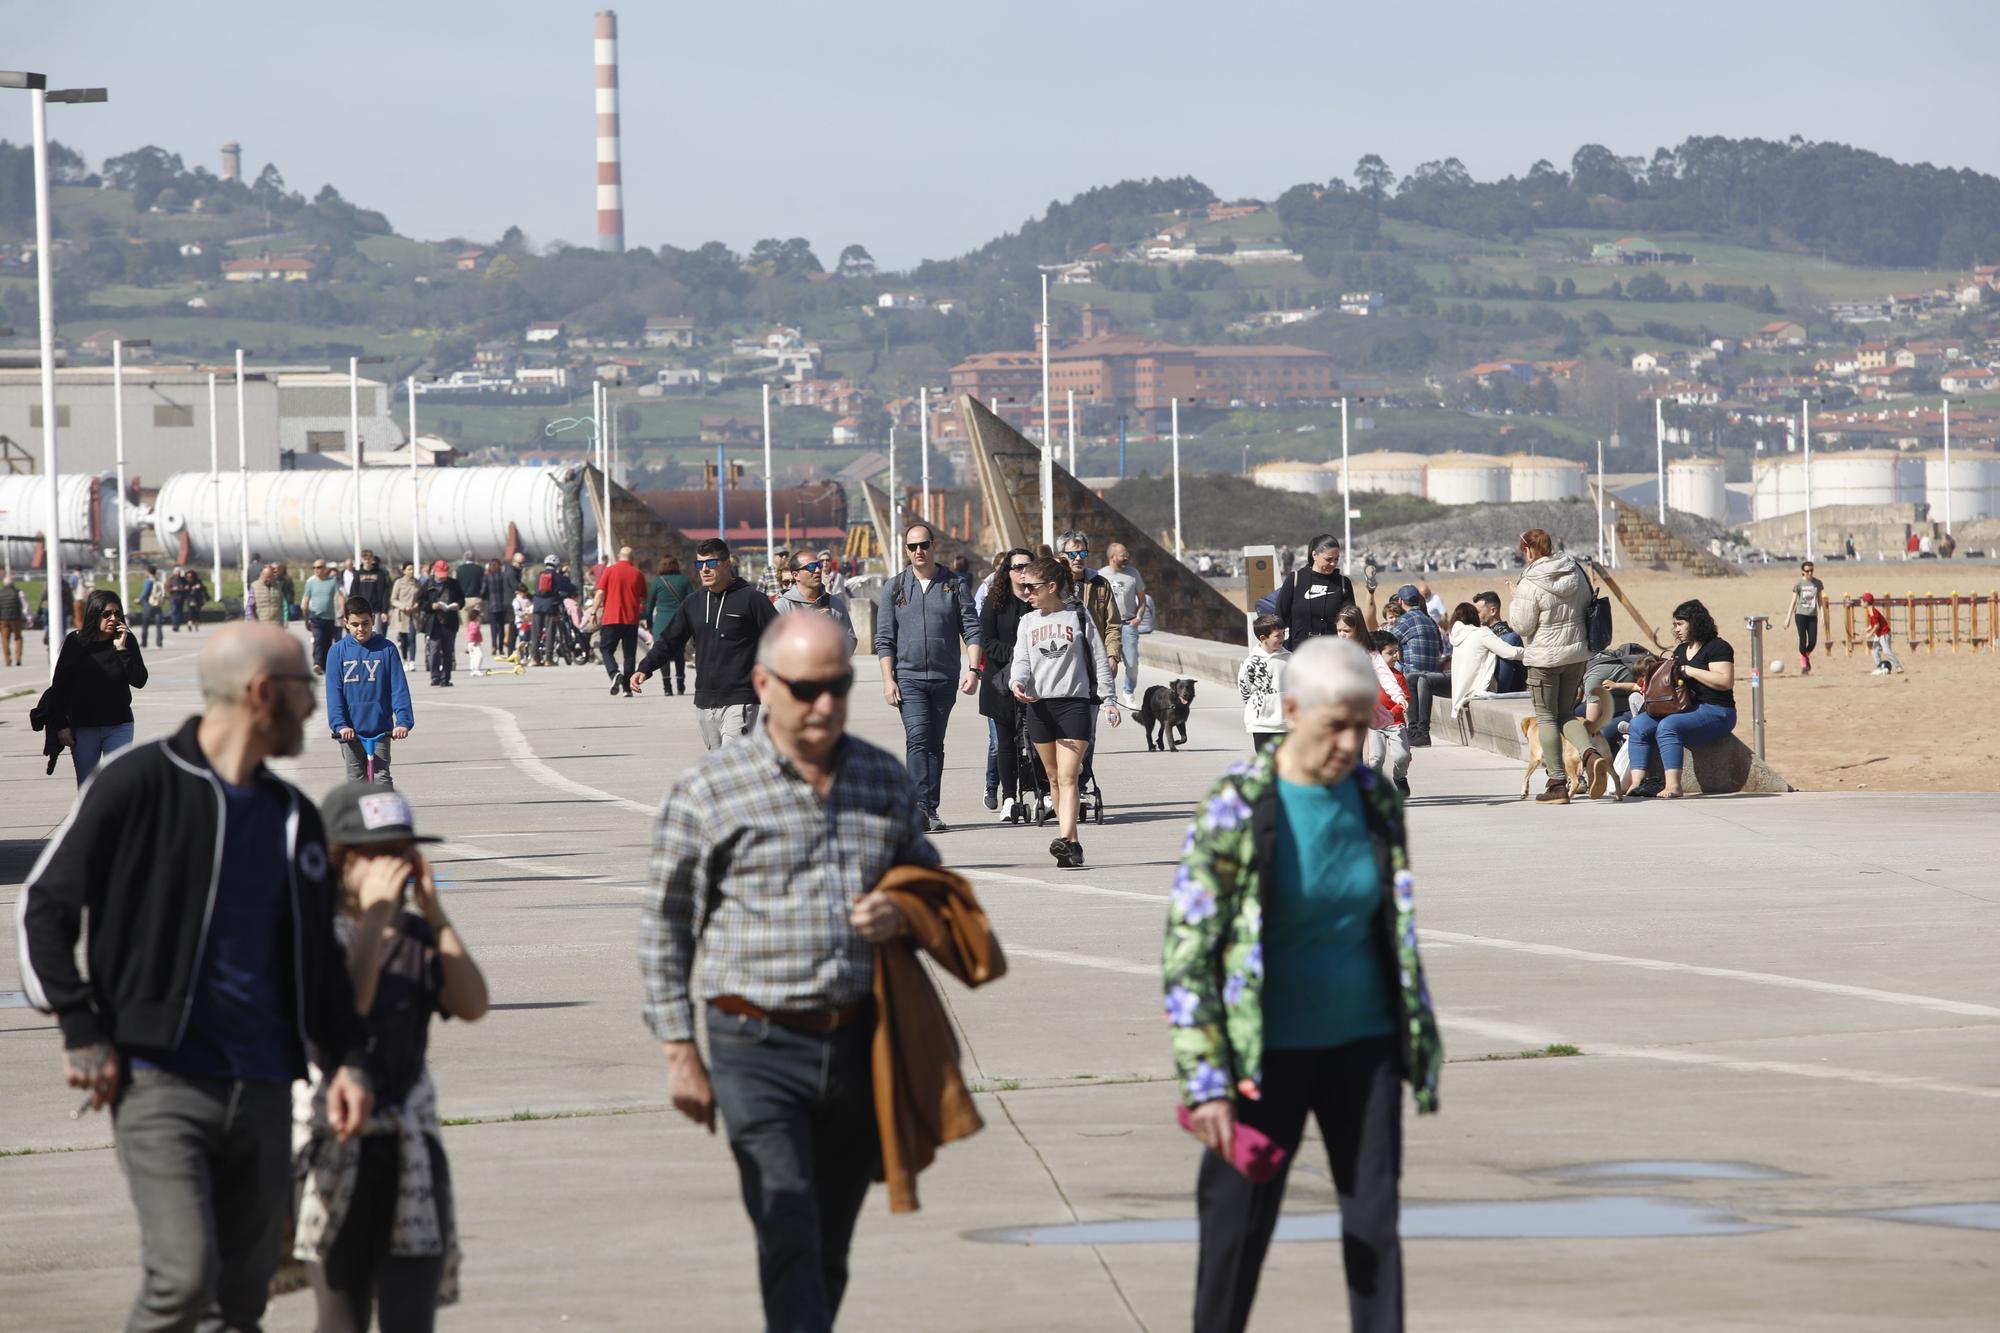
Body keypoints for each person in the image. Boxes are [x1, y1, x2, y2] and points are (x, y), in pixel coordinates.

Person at [18, 622, 374, 1333]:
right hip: (160, 1081)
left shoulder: (293, 818)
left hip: (269, 1087)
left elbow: (320, 964)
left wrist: (348, 1060)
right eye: (306, 688)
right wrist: (82, 1026)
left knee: (242, 1298)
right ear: (264, 692)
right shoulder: (136, 784)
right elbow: (44, 906)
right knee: (181, 1278)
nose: (313, 707)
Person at [640, 613, 938, 1333]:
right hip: (753, 1044)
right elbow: (666, 924)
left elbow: (930, 883)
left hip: (859, 1044)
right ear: (764, 684)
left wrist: (901, 911)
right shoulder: (710, 790)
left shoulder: (881, 776)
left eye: (838, 685)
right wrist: (680, 1050)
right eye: (808, 689)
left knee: (828, 1242)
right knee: (787, 1217)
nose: (826, 704)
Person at [1164, 634, 1441, 1333]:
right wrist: (1206, 1081)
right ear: (1290, 710)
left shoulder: (1377, 799)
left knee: (1375, 1223)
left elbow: (1391, 925)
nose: (1351, 742)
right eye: (1334, 725)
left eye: (1362, 723)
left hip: (1365, 1045)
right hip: (1262, 1055)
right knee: (1234, 1229)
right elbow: (1188, 951)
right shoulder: (1238, 802)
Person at [298, 783, 487, 1333]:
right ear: (338, 861)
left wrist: (435, 913)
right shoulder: (314, 937)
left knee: (412, 1317)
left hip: (411, 1147)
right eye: (377, 855)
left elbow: (471, 1004)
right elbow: (343, 1013)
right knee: (342, 1318)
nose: (394, 867)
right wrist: (375, 918)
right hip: (334, 1146)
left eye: (402, 853)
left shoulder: (414, 933)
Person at [1008, 555, 1120, 869]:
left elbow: (1099, 661)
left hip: (1074, 705)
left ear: (1052, 586)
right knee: (1054, 779)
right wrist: (1017, 681)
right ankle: (1071, 845)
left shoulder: (1079, 618)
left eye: (1032, 587)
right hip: (1039, 707)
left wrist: (1109, 700)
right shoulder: (1028, 622)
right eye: (1023, 586)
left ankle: (1066, 838)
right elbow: (1022, 660)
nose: (1026, 592)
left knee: (1070, 776)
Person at [873, 522, 983, 833]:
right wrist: (887, 679)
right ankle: (918, 806)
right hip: (908, 678)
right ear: (905, 551)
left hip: (945, 677)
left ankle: (929, 808)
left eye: (924, 545)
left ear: (934, 545)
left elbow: (972, 630)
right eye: (912, 547)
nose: (919, 551)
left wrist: (973, 670)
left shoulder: (955, 584)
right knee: (919, 737)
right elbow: (885, 638)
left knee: (935, 742)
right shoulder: (894, 587)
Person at [632, 537, 779, 749]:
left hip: (740, 697)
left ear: (727, 564)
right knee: (718, 767)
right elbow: (670, 640)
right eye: (700, 564)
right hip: (704, 701)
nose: (704, 570)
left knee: (731, 763)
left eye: (711, 563)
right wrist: (645, 668)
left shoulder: (752, 600)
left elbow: (781, 637)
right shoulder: (693, 603)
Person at [1507, 528, 1596, 805]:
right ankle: (1591, 756)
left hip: (1544, 658)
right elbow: (1587, 605)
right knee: (1567, 713)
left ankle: (1557, 784)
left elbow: (1522, 625)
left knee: (1546, 718)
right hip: (1576, 654)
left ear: (1528, 550)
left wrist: (1514, 599)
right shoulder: (1575, 571)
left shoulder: (1530, 580)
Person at [1623, 600, 1738, 800]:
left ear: (1695, 622)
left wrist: (1691, 671)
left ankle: (1674, 786)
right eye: (1674, 625)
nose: (1676, 630)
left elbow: (1725, 681)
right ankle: (1637, 783)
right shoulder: (1681, 650)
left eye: (1680, 624)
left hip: (1718, 712)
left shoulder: (1718, 647)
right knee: (1638, 725)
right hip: (1685, 709)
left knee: (1668, 726)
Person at [46, 588, 150, 784]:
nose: (113, 618)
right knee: (88, 787)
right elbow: (59, 687)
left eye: (117, 613)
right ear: (94, 614)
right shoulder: (75, 642)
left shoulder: (125, 639)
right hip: (84, 728)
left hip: (119, 725)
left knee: (118, 786)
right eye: (107, 614)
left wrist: (122, 650)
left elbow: (140, 680)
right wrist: (62, 726)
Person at [327, 595, 414, 786]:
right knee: (357, 780)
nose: (361, 629)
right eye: (355, 624)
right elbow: (334, 693)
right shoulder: (337, 652)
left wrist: (403, 721)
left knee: (381, 776)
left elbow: (398, 688)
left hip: (380, 728)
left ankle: (387, 816)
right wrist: (340, 725)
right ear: (346, 623)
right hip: (350, 731)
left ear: (373, 620)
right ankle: (358, 816)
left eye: (365, 623)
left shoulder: (387, 649)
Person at [977, 548, 1037, 816]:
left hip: (1036, 682)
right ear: (1007, 571)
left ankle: (1041, 792)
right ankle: (1009, 796)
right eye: (1017, 567)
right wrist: (1016, 656)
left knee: (1036, 740)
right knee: (1005, 741)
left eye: (1027, 566)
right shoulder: (995, 601)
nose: (1022, 571)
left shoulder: (1040, 600)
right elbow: (986, 640)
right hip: (1000, 681)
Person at [1387, 583, 1448, 748]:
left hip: (1417, 675)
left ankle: (1414, 729)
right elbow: (1442, 649)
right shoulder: (1430, 620)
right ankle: (1413, 730)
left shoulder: (1406, 620)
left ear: (1400, 601)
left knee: (1406, 675)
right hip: (1434, 673)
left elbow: (1386, 640)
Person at [1274, 534, 1356, 650]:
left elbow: (1351, 621)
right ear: (1314, 555)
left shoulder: (1343, 583)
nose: (1333, 564)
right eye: (1328, 559)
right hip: (1298, 654)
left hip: (1332, 654)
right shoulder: (1295, 579)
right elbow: (1279, 618)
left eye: (1336, 559)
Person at [1446, 602, 1525, 723]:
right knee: (1512, 638)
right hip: (1482, 689)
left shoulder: (1455, 638)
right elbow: (1510, 653)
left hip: (1462, 694)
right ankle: (1523, 686)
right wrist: (1533, 653)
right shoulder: (1481, 632)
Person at [776, 550, 857, 652]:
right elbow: (773, 646)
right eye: (811, 567)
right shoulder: (782, 607)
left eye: (819, 565)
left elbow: (850, 640)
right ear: (796, 575)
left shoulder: (836, 605)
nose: (818, 570)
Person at [596, 545, 648, 697]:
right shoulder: (638, 574)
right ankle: (627, 688)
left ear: (619, 556)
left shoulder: (609, 571)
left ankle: (614, 673)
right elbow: (644, 597)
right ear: (632, 558)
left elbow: (600, 593)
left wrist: (593, 610)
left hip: (611, 618)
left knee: (606, 649)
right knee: (629, 655)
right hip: (631, 619)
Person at [1367, 629, 1413, 795]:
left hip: (1395, 723)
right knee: (1376, 759)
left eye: (1396, 652)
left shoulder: (1397, 676)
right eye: (1390, 653)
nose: (1396, 656)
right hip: (1374, 724)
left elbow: (1405, 697)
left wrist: (1393, 712)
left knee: (1402, 756)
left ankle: (1399, 777)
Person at [1101, 542, 1147, 705]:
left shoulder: (1133, 574)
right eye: (1123, 555)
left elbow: (1142, 599)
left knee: (1132, 663)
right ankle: (1109, 696)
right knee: (1109, 663)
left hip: (1128, 625)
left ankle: (1128, 691)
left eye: (1127, 554)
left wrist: (1139, 617)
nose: (1127, 557)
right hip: (1107, 627)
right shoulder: (1100, 575)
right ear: (1112, 557)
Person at [1238, 612, 1290, 750]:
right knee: (1265, 765)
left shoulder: (1291, 659)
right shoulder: (1250, 663)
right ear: (1263, 638)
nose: (1282, 638)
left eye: (1283, 633)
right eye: (1278, 635)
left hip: (1286, 723)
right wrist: (1261, 705)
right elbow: (1245, 690)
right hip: (1260, 724)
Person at [644, 555, 692, 696]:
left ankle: (667, 687)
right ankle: (680, 685)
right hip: (680, 622)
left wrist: (649, 624)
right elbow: (692, 601)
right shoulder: (684, 580)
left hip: (661, 623)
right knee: (679, 654)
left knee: (662, 653)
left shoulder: (657, 582)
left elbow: (649, 607)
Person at [418, 560, 464, 688]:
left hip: (449, 621)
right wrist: (431, 606)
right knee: (434, 650)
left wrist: (458, 605)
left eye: (445, 574)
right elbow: (420, 601)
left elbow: (462, 599)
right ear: (434, 571)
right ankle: (435, 676)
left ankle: (446, 678)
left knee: (448, 651)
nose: (443, 577)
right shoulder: (428, 584)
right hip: (434, 622)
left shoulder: (453, 584)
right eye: (440, 574)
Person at [1472, 592, 1526, 693]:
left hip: (1497, 686)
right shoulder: (1480, 633)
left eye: (1478, 612)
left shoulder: (1509, 637)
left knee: (1512, 638)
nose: (1475, 616)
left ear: (1492, 611)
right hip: (1481, 683)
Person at [529, 555, 577, 666]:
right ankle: (548, 659)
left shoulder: (539, 576)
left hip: (537, 607)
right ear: (556, 565)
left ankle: (534, 658)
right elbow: (569, 586)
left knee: (536, 633)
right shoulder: (558, 577)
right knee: (550, 632)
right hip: (550, 607)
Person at [1780, 560, 1825, 676]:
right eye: (1807, 571)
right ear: (1803, 572)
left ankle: (1804, 656)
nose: (1810, 573)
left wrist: (1822, 615)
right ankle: (1804, 665)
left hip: (1812, 615)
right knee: (1802, 639)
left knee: (1813, 641)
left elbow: (1820, 600)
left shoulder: (1817, 583)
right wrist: (1787, 618)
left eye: (1811, 570)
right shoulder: (1799, 584)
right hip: (1800, 614)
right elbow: (1793, 601)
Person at [305, 558, 345, 675]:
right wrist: (306, 616)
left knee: (327, 642)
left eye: (319, 567)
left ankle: (325, 665)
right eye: (314, 568)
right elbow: (306, 599)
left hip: (329, 617)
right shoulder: (311, 582)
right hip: (315, 617)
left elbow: (339, 595)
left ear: (325, 569)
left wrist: (342, 608)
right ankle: (317, 662)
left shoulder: (332, 582)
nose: (316, 570)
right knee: (318, 640)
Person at [1861, 592, 1905, 675]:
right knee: (1874, 651)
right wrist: (1867, 629)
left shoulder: (1873, 612)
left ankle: (1899, 667)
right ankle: (1880, 667)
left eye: (1862, 602)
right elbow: (1873, 624)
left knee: (1886, 651)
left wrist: (1870, 634)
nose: (1861, 603)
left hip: (1884, 633)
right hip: (1878, 634)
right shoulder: (1870, 611)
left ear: (1866, 602)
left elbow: (1877, 625)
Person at [483, 558, 518, 659]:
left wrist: (487, 598)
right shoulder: (502, 576)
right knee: (501, 627)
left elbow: (483, 591)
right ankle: (501, 647)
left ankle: (494, 646)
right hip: (502, 604)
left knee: (493, 627)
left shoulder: (487, 577)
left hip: (492, 605)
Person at [389, 561, 421, 666]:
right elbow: (393, 599)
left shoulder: (417, 583)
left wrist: (417, 604)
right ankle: (405, 659)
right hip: (402, 615)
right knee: (403, 639)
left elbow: (421, 597)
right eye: (409, 569)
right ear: (404, 571)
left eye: (412, 569)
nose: (411, 571)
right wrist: (403, 606)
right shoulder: (399, 583)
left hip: (413, 614)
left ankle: (412, 661)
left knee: (412, 637)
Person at [352, 551, 391, 634]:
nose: (367, 561)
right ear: (362, 560)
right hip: (360, 609)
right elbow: (353, 592)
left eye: (369, 559)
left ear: (372, 559)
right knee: (361, 633)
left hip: (376, 609)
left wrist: (384, 610)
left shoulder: (379, 574)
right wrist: (352, 609)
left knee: (375, 634)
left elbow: (385, 593)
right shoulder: (358, 574)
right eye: (365, 559)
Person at [136, 565, 168, 649]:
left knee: (145, 624)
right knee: (158, 625)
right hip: (158, 604)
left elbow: (146, 593)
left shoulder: (148, 581)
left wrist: (139, 599)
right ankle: (159, 642)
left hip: (149, 605)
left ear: (148, 572)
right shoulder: (158, 581)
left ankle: (144, 642)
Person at [453, 550, 485, 623]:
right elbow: (483, 584)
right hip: (477, 598)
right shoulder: (479, 569)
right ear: (474, 558)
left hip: (464, 600)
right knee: (476, 625)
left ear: (464, 558)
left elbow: (457, 585)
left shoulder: (459, 569)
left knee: (466, 626)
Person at [0, 572, 25, 664]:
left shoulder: (0, 593)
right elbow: (25, 606)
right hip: (16, 618)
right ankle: (18, 658)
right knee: (18, 637)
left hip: (3, 619)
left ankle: (7, 659)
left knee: (5, 638)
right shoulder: (18, 592)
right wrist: (29, 618)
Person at [465, 608, 486, 677]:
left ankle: (473, 669)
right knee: (479, 655)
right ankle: (476, 669)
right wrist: (473, 641)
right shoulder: (474, 624)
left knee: (473, 656)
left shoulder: (470, 624)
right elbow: (472, 633)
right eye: (479, 616)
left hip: (471, 642)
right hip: (474, 643)